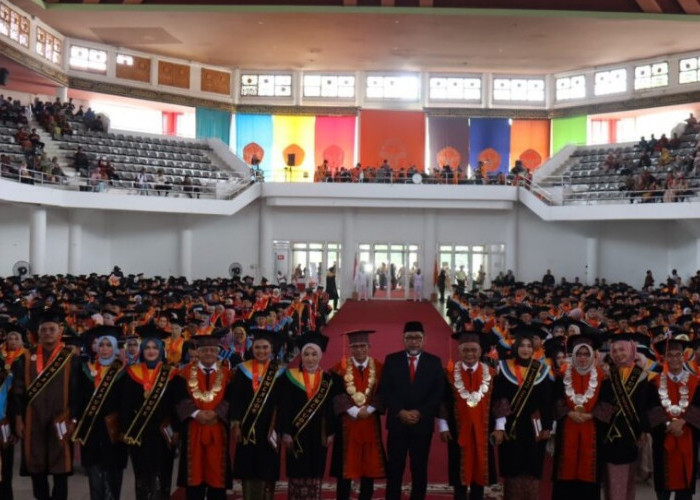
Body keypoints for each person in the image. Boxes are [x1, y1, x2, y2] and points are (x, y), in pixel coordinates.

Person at [11, 309, 81, 500]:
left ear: (60, 331)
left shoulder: (70, 359)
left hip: (61, 419)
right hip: (33, 419)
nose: (48, 333)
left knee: (61, 468)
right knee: (36, 466)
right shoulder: (26, 359)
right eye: (44, 330)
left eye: (52, 329)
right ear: (38, 333)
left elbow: (76, 393)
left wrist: (74, 419)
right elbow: (17, 392)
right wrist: (18, 419)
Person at [379, 321, 445, 500]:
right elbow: (385, 390)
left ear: (424, 339)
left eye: (417, 338)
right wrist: (400, 411)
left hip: (422, 424)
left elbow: (438, 392)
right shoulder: (392, 360)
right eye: (409, 338)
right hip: (397, 423)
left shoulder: (434, 362)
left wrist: (420, 412)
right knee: (395, 467)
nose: (414, 342)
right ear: (403, 339)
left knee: (419, 468)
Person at [490, 325, 553, 500]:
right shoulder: (504, 368)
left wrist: (547, 426)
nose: (525, 349)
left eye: (529, 346)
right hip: (511, 427)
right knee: (513, 469)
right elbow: (499, 398)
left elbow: (546, 401)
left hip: (534, 427)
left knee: (532, 469)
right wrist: (500, 426)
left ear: (533, 349)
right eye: (522, 345)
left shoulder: (541, 370)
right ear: (516, 347)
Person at [120, 325, 177, 500]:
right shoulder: (131, 374)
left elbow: (175, 405)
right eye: (147, 348)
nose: (151, 351)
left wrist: (176, 430)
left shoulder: (172, 374)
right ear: (142, 350)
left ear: (161, 350)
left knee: (162, 475)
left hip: (163, 434)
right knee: (142, 477)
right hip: (140, 434)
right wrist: (126, 429)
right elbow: (125, 405)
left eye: (155, 348)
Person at [174, 331, 233, 500]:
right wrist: (196, 413)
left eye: (213, 350)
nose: (209, 353)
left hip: (218, 430)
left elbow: (231, 398)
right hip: (193, 429)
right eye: (205, 350)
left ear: (218, 353)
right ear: (198, 352)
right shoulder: (183, 373)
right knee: (194, 478)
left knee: (217, 476)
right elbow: (178, 397)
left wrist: (217, 412)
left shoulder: (227, 374)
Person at [551, 333, 610, 500]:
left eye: (586, 354)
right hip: (567, 427)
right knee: (565, 469)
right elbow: (555, 399)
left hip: (593, 430)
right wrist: (569, 412)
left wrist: (590, 415)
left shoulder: (603, 377)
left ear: (592, 355)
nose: (582, 358)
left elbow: (607, 403)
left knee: (589, 472)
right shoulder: (562, 375)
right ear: (573, 355)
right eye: (578, 354)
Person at [439, 330, 496, 500]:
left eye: (473, 350)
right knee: (459, 471)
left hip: (484, 430)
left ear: (480, 351)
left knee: (480, 469)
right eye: (465, 350)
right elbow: (443, 402)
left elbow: (499, 401)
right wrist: (443, 426)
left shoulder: (491, 374)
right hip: (457, 430)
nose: (470, 354)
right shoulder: (448, 374)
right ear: (459, 351)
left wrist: (500, 427)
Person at [279, 331, 336, 500]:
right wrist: (286, 432)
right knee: (297, 470)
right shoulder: (289, 377)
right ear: (301, 356)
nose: (310, 358)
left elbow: (331, 409)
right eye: (306, 354)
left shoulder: (327, 380)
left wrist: (330, 431)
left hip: (319, 433)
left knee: (315, 470)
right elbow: (284, 407)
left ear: (320, 356)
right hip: (296, 432)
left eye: (314, 354)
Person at [330, 330, 386, 500]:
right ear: (350, 348)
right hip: (347, 423)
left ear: (369, 346)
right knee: (345, 466)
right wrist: (354, 411)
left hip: (370, 422)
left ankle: (366, 496)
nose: (359, 350)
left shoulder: (380, 368)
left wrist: (369, 410)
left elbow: (383, 392)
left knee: (369, 464)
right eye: (355, 346)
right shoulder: (339, 369)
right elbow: (336, 394)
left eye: (363, 346)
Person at [72, 331, 128, 500]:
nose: (104, 348)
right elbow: (79, 398)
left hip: (113, 430)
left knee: (113, 475)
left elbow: (125, 402)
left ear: (115, 348)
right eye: (101, 345)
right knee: (94, 475)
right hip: (91, 430)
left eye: (108, 345)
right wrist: (75, 419)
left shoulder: (123, 372)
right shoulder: (86, 370)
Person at [230, 330, 285, 500]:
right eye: (257, 347)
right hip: (248, 427)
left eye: (265, 347)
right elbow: (236, 399)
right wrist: (236, 423)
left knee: (268, 467)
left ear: (272, 349)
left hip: (270, 427)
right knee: (248, 467)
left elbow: (283, 402)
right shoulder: (243, 370)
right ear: (252, 349)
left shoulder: (280, 372)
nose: (261, 351)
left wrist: (279, 427)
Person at [646, 335, 700, 500]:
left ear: (684, 357)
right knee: (663, 487)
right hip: (663, 438)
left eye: (678, 355)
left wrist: (682, 422)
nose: (674, 359)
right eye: (670, 355)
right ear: (663, 358)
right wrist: (670, 424)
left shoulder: (696, 382)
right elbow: (651, 408)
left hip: (688, 436)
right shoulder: (653, 383)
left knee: (685, 488)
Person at [601, 334, 652, 500]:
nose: (618, 354)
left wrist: (644, 429)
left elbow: (644, 405)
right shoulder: (607, 375)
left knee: (629, 479)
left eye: (622, 349)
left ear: (631, 350)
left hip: (632, 432)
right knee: (612, 479)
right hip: (610, 433)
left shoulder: (641, 375)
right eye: (614, 351)